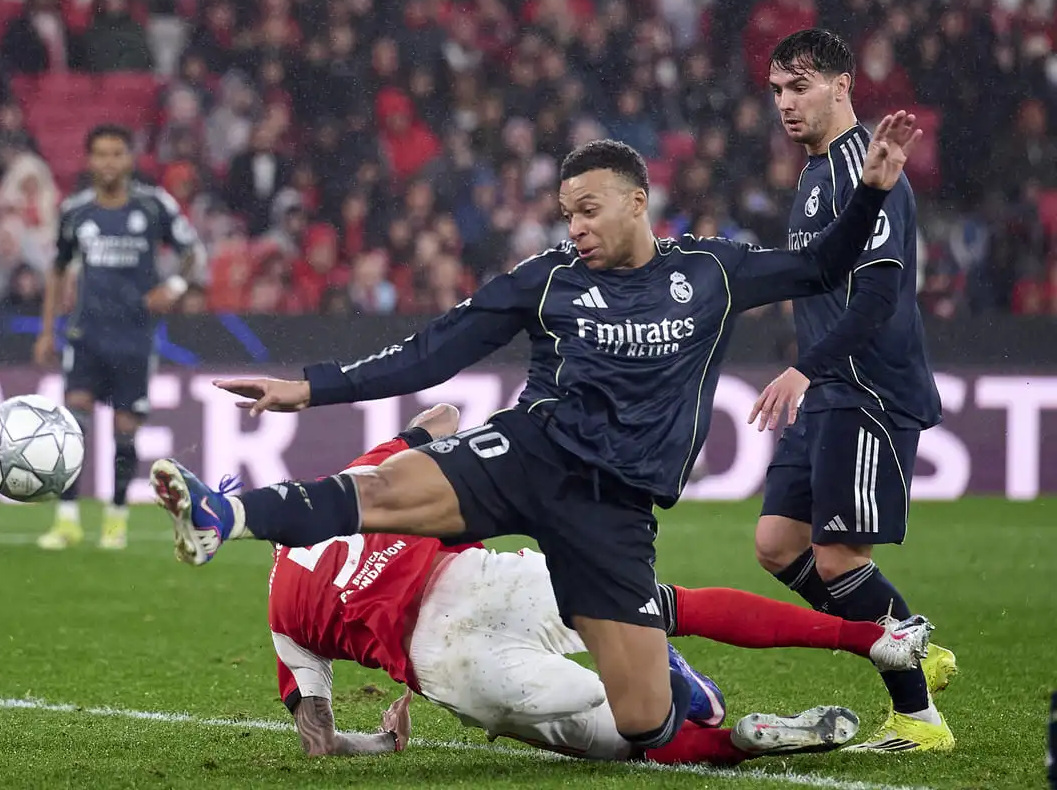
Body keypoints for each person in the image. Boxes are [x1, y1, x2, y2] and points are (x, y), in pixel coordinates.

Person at [152, 118, 921, 757]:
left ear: (637, 202)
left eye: (589, 209)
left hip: (614, 510)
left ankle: (742, 737)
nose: (575, 227)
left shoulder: (714, 271)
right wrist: (312, 388)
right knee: (385, 490)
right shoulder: (546, 278)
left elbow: (825, 264)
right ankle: (226, 516)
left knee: (642, 719)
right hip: (530, 454)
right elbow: (433, 351)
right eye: (567, 214)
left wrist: (873, 190)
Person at [267, 404, 933, 763]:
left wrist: (381, 741)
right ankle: (867, 639)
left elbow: (318, 740)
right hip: (484, 578)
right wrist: (424, 441)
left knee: (639, 737)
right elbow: (442, 414)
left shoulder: (283, 612)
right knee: (669, 605)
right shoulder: (359, 483)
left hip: (449, 663)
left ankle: (732, 740)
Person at [753, 30, 954, 752]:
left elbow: (875, 299)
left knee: (839, 557)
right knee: (778, 544)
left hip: (866, 386)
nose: (785, 102)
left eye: (799, 86)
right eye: (777, 89)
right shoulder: (816, 172)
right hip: (829, 385)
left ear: (842, 85)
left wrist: (806, 367)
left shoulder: (868, 170)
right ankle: (908, 639)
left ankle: (918, 716)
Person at [34, 123, 205, 551]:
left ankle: (116, 517)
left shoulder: (153, 206)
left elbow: (191, 253)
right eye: (101, 154)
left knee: (125, 430)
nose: (108, 162)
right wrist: (45, 331)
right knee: (74, 424)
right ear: (89, 160)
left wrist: (176, 289)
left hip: (134, 338)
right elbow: (57, 270)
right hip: (86, 334)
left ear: (129, 159)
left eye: (116, 154)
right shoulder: (77, 211)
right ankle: (68, 518)